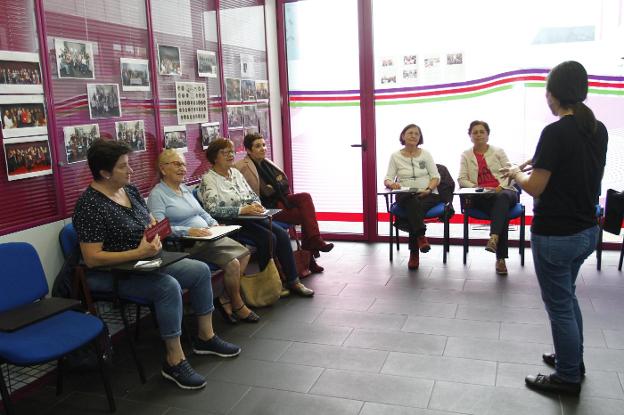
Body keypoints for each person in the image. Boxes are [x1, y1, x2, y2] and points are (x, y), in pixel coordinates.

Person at [73, 139, 241, 391]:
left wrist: (153, 229)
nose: (130, 171)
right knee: (167, 286)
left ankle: (205, 337)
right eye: (123, 167)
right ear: (104, 173)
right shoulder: (89, 206)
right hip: (114, 272)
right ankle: (174, 360)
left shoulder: (128, 191)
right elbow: (92, 258)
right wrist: (138, 250)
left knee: (198, 270)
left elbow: (148, 218)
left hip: (145, 260)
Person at [501, 61, 608, 396]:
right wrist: (528, 164)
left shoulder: (555, 131)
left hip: (556, 235)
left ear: (553, 95)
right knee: (567, 296)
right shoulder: (596, 128)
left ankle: (567, 377)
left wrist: (514, 174)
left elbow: (535, 188)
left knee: (559, 305)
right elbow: (562, 162)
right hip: (587, 231)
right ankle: (572, 359)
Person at [147, 149, 259, 324]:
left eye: (184, 164)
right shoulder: (157, 195)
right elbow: (160, 229)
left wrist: (214, 223)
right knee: (234, 263)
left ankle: (224, 297)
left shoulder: (183, 189)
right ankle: (237, 303)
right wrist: (187, 231)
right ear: (163, 169)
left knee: (244, 253)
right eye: (177, 164)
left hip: (208, 237)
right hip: (186, 244)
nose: (182, 168)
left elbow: (202, 212)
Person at [198, 138, 314, 297]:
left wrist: (255, 205)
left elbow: (252, 195)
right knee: (269, 238)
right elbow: (212, 209)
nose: (230, 155)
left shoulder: (236, 173)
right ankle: (270, 284)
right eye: (224, 153)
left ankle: (293, 281)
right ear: (214, 157)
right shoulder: (208, 179)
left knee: (281, 235)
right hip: (231, 223)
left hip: (250, 217)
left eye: (231, 152)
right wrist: (242, 210)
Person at [235, 133, 333, 273]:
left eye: (263, 145)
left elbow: (281, 183)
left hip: (281, 199)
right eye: (258, 146)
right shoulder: (241, 167)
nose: (263, 148)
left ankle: (314, 243)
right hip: (267, 207)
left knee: (305, 197)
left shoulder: (267, 162)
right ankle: (311, 256)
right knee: (306, 217)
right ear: (249, 150)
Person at [458, 120, 519, 276]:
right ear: (470, 136)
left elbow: (511, 172)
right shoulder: (466, 155)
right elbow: (462, 179)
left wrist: (500, 186)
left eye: (482, 132)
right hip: (482, 195)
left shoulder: (498, 151)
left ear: (487, 134)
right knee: (500, 212)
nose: (478, 135)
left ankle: (494, 239)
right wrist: (478, 188)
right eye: (475, 132)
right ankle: (500, 256)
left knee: (502, 198)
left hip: (505, 191)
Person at [384, 124, 440, 270]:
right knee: (412, 201)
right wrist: (392, 184)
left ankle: (414, 253)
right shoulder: (395, 156)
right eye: (410, 133)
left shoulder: (426, 154)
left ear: (420, 137)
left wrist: (428, 189)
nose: (414, 136)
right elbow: (388, 178)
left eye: (417, 134)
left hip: (427, 194)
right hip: (405, 194)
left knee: (414, 209)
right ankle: (421, 238)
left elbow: (436, 177)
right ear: (403, 136)